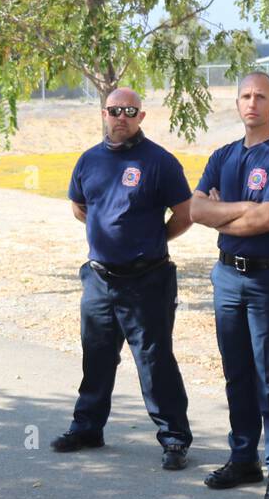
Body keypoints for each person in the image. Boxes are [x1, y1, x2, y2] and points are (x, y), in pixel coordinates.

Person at [51, 87, 194, 469]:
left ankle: (174, 438)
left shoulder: (160, 162)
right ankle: (88, 428)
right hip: (98, 279)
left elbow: (185, 213)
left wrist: (150, 240)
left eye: (130, 111)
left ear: (141, 117)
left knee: (153, 359)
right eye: (115, 110)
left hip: (147, 280)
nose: (121, 117)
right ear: (104, 113)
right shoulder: (88, 160)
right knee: (96, 356)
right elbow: (79, 206)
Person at [190, 71, 269, 499]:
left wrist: (224, 211)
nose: (252, 103)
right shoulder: (223, 155)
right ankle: (244, 458)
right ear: (236, 103)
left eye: (261, 96)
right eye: (245, 95)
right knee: (236, 371)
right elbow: (196, 209)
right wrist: (241, 209)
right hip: (228, 277)